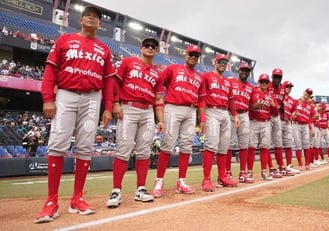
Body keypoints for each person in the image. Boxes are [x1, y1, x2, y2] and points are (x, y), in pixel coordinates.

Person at [35, 5, 116, 223]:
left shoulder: (104, 49)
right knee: (58, 143)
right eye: (88, 15)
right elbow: (51, 70)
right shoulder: (65, 40)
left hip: (92, 98)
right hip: (66, 94)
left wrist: (108, 106)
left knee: (85, 146)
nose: (92, 18)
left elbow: (108, 81)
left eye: (96, 17)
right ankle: (51, 201)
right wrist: (48, 99)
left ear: (99, 24)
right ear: (80, 20)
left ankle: (77, 198)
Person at [106, 37, 165, 208]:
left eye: (153, 46)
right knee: (123, 149)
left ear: (156, 51)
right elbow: (115, 83)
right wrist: (115, 103)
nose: (149, 48)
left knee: (144, 151)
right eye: (146, 45)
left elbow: (159, 98)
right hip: (128, 108)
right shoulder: (128, 62)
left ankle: (141, 189)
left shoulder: (157, 73)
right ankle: (116, 190)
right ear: (141, 48)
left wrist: (160, 120)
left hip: (147, 112)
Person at [151, 45, 205, 198]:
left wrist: (203, 119)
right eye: (191, 54)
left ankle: (181, 181)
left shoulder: (199, 77)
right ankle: (159, 181)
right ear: (185, 54)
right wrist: (160, 98)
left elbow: (201, 100)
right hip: (173, 107)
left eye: (196, 55)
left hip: (191, 111)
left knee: (186, 145)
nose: (193, 57)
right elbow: (159, 81)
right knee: (168, 143)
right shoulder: (173, 68)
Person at [199, 54, 240, 192]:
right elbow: (202, 99)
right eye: (220, 61)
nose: (222, 64)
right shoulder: (207, 76)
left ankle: (222, 176)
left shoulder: (228, 82)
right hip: (212, 111)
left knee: (224, 147)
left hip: (225, 113)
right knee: (211, 146)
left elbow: (231, 101)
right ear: (214, 62)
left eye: (224, 62)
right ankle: (206, 179)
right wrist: (203, 118)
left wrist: (235, 115)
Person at [226, 63, 254, 183]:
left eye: (247, 70)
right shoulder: (231, 81)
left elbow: (252, 103)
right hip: (231, 114)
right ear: (238, 70)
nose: (244, 72)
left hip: (244, 114)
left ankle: (243, 172)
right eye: (243, 70)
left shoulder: (251, 87)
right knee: (229, 144)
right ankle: (227, 172)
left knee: (244, 144)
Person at [248, 74, 277, 181]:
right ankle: (249, 172)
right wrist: (253, 106)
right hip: (254, 122)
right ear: (259, 82)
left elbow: (275, 112)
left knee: (265, 147)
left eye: (266, 81)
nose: (264, 83)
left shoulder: (270, 95)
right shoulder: (253, 91)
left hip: (266, 122)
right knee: (251, 147)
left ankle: (264, 171)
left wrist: (273, 105)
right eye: (262, 81)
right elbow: (248, 106)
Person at [291, 88, 317, 170]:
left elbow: (315, 115)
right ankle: (300, 164)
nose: (307, 94)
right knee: (298, 145)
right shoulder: (297, 102)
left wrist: (310, 124)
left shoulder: (309, 106)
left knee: (306, 145)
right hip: (296, 124)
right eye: (307, 92)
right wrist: (293, 115)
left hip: (305, 125)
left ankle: (307, 164)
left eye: (309, 94)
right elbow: (291, 111)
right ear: (304, 92)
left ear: (310, 96)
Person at [267, 68, 285, 178]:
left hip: (277, 116)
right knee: (267, 143)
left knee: (278, 142)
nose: (277, 79)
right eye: (275, 77)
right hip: (267, 115)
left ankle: (281, 166)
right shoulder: (267, 85)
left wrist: (284, 116)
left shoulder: (282, 88)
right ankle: (271, 168)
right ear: (272, 77)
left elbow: (281, 103)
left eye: (279, 77)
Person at [279, 81, 300, 174]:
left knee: (288, 144)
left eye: (290, 87)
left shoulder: (293, 100)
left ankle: (289, 165)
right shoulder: (278, 96)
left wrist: (294, 114)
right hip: (278, 121)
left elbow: (295, 112)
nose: (288, 88)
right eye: (287, 86)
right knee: (277, 144)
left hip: (287, 123)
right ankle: (280, 167)